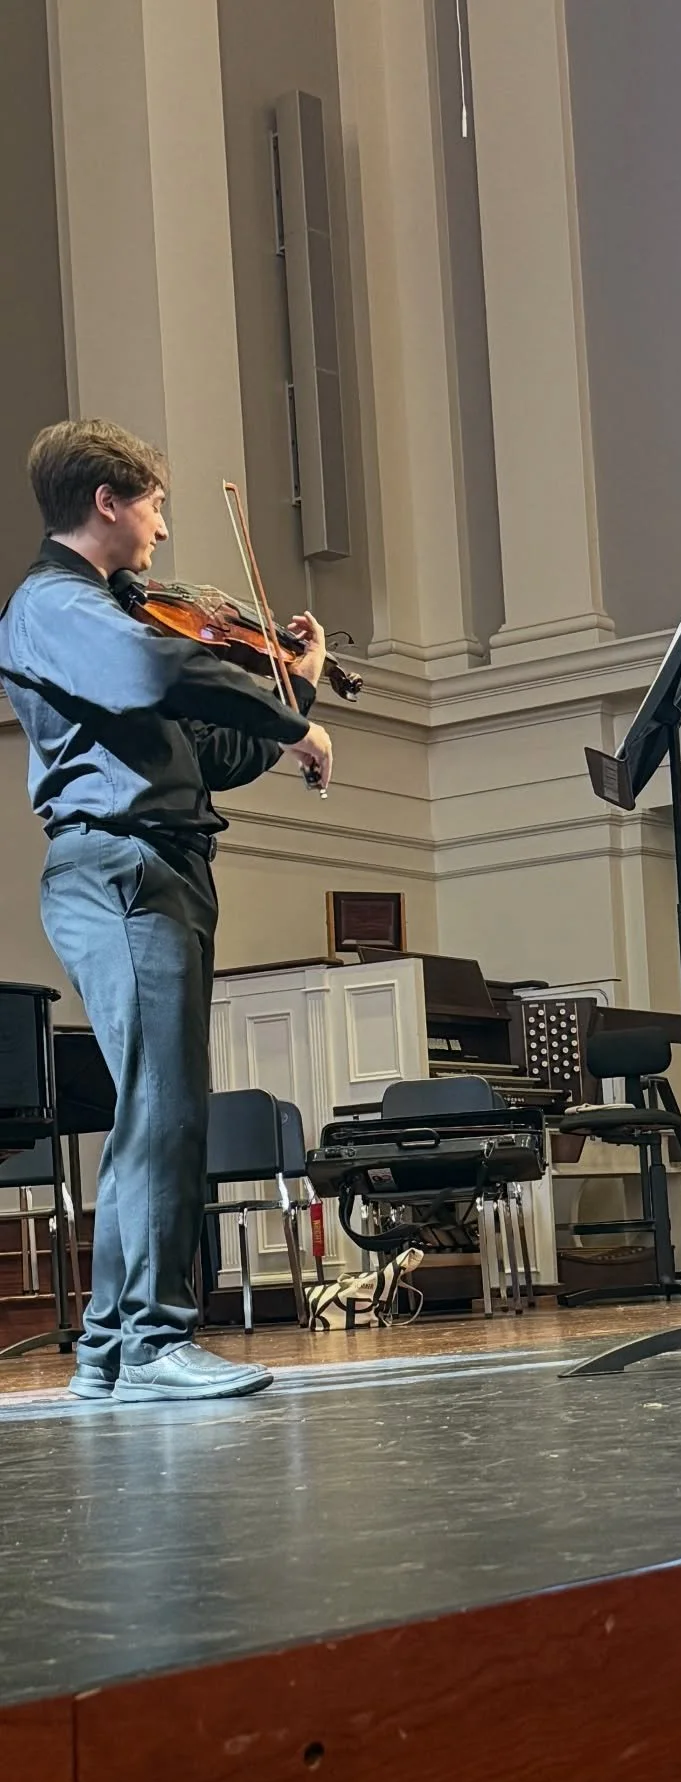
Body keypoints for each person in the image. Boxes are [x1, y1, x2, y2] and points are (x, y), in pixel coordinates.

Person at [0, 419, 334, 1400]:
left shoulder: (118, 623)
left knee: (164, 1098)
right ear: (106, 500)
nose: (158, 528)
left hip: (165, 864)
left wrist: (289, 692)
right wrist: (290, 716)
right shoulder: (55, 606)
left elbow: (208, 756)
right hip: (118, 868)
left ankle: (110, 1350)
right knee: (161, 1103)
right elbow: (158, 672)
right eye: (152, 505)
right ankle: (148, 1342)